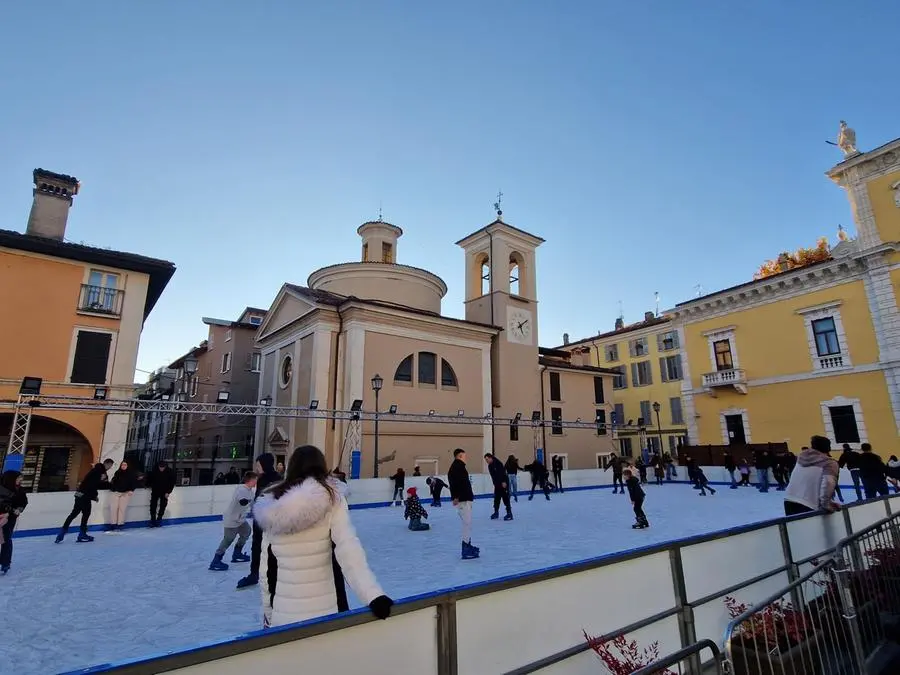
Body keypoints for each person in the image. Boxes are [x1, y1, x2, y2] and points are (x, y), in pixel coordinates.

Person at [253, 445, 393, 628]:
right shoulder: (331, 498)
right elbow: (348, 549)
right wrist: (373, 596)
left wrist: (269, 614)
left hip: (284, 615)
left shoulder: (271, 505)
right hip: (324, 614)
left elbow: (266, 569)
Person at [237, 452, 283, 590]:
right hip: (259, 520)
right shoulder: (262, 479)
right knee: (256, 547)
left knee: (271, 548)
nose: (257, 468)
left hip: (270, 521)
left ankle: (272, 574)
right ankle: (254, 574)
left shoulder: (276, 479)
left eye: (258, 465)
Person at [55, 459, 114, 543]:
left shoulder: (96, 470)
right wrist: (95, 495)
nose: (110, 468)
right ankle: (82, 534)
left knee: (74, 513)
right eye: (110, 466)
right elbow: (93, 484)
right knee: (86, 514)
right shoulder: (99, 471)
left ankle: (62, 532)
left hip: (80, 493)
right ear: (107, 464)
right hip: (85, 495)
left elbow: (93, 483)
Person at [209, 471, 258, 571]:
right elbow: (242, 501)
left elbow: (253, 504)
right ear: (251, 480)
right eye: (255, 480)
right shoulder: (241, 489)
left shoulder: (250, 492)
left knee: (246, 531)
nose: (256, 482)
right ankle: (216, 560)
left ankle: (237, 554)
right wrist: (248, 501)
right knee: (228, 539)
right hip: (231, 519)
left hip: (240, 519)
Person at [784, 435, 840, 516]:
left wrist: (829, 502)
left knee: (795, 528)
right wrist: (826, 504)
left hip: (789, 499)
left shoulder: (801, 457)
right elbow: (828, 483)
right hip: (809, 504)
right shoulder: (830, 463)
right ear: (828, 447)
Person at [448, 448, 479, 559]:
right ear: (460, 456)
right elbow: (455, 483)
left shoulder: (458, 467)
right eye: (464, 456)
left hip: (464, 498)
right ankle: (465, 548)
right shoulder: (457, 467)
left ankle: (467, 545)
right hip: (463, 500)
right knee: (467, 524)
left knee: (468, 523)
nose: (466, 458)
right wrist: (456, 497)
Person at [0, 470, 28, 574]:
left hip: (9, 518)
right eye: (18, 478)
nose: (21, 480)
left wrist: (19, 509)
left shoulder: (20, 491)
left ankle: (5, 562)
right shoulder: (2, 488)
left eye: (21, 478)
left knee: (6, 539)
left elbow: (24, 502)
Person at [107, 460, 138, 533]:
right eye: (122, 465)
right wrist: (112, 488)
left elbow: (134, 483)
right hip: (116, 492)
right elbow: (113, 481)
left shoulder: (131, 474)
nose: (123, 466)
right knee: (113, 508)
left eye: (125, 465)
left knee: (122, 509)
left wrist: (131, 490)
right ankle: (113, 524)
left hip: (126, 493)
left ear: (128, 466)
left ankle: (120, 524)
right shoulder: (117, 472)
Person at [147, 460, 176, 527]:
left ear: (165, 467)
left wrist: (168, 492)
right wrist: (149, 485)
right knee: (153, 505)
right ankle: (153, 520)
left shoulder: (170, 472)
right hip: (155, 490)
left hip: (165, 491)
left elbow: (172, 483)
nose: (161, 469)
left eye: (163, 467)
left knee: (163, 505)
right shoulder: (155, 470)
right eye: (160, 467)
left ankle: (159, 519)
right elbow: (150, 479)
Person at [484, 453, 513, 521]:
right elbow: (493, 476)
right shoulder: (490, 466)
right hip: (497, 484)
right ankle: (496, 512)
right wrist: (495, 483)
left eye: (487, 459)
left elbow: (502, 473)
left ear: (491, 458)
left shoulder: (498, 463)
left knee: (505, 498)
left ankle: (509, 513)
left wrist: (504, 482)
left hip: (503, 483)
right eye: (486, 460)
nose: (487, 461)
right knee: (497, 498)